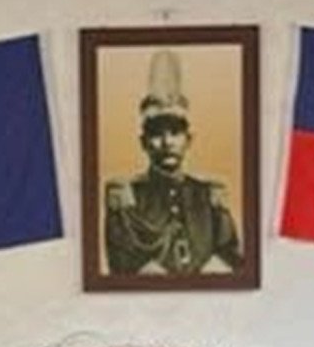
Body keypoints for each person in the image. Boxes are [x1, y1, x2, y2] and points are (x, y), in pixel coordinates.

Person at [101, 49, 247, 278]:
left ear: (188, 140)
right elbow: (122, 265)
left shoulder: (208, 194)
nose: (167, 142)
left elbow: (234, 260)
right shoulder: (127, 196)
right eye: (156, 134)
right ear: (144, 143)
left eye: (176, 133)